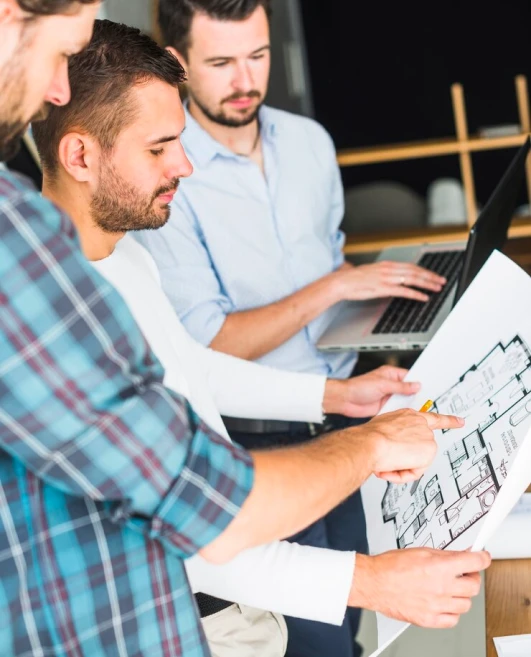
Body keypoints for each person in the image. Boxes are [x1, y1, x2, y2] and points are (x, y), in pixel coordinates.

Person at [31, 19, 491, 657]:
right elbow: (194, 528)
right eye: (160, 148)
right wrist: (374, 581)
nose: (185, 167)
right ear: (80, 155)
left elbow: (192, 366)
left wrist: (334, 397)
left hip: (236, 592)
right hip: (177, 614)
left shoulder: (126, 256)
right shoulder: (59, 313)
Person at [136, 2, 447, 655]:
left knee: (354, 628)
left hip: (340, 413)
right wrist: (335, 286)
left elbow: (330, 268)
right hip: (258, 444)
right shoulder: (162, 174)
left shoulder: (308, 141)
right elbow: (206, 347)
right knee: (310, 642)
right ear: (178, 62)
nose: (245, 79)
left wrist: (374, 308)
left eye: (258, 55)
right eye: (221, 62)